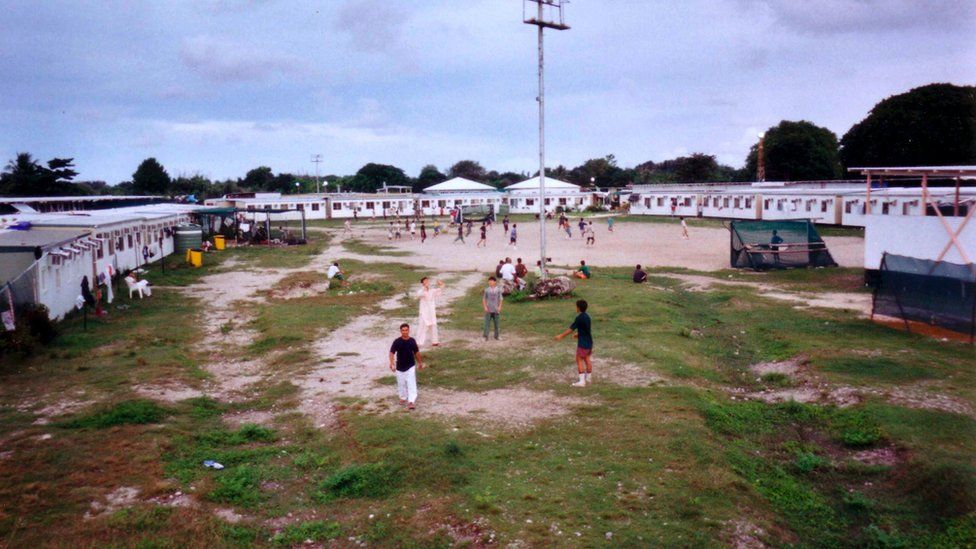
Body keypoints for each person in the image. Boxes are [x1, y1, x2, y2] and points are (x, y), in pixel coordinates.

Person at [554, 299, 593, 387]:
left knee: (579, 359)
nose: (575, 308)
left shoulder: (579, 318)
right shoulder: (587, 317)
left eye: (576, 306)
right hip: (589, 342)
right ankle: (589, 378)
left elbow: (571, 329)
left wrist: (561, 336)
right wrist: (578, 334)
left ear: (578, 308)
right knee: (587, 359)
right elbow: (586, 329)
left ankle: (582, 382)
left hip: (582, 344)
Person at [389, 323, 423, 410]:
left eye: (406, 330)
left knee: (411, 383)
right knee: (401, 383)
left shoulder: (412, 341)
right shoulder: (397, 341)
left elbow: (416, 352)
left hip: (410, 366)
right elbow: (392, 352)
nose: (405, 332)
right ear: (400, 331)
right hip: (400, 367)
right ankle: (403, 397)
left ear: (409, 330)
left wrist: (420, 362)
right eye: (403, 330)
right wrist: (392, 363)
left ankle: (411, 401)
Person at [416, 277, 444, 347]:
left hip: (431, 312)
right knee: (422, 327)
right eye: (425, 281)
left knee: (433, 326)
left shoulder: (432, 291)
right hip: (424, 312)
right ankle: (418, 342)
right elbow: (419, 295)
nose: (427, 282)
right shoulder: (420, 291)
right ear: (422, 283)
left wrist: (441, 284)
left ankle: (435, 342)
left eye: (427, 281)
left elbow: (440, 289)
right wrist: (424, 289)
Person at [482, 276, 503, 341]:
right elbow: (484, 299)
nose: (490, 283)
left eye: (491, 281)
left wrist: (499, 307)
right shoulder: (486, 290)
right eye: (489, 281)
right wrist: (485, 307)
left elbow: (501, 299)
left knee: (497, 323)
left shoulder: (498, 290)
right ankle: (486, 336)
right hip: (488, 309)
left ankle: (497, 336)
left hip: (496, 309)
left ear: (495, 282)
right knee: (487, 323)